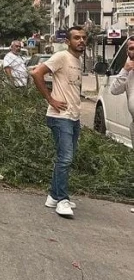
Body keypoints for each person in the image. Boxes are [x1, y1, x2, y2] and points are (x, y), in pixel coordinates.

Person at [31, 27, 87, 218]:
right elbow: (37, 73)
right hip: (59, 117)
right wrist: (51, 99)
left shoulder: (77, 61)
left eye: (83, 38)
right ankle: (62, 200)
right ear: (68, 41)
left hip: (73, 117)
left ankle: (54, 196)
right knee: (65, 158)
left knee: (65, 158)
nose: (81, 41)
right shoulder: (61, 56)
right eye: (76, 38)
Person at [110, 36, 134, 146]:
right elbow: (114, 90)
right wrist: (125, 70)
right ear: (127, 52)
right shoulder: (127, 72)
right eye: (132, 48)